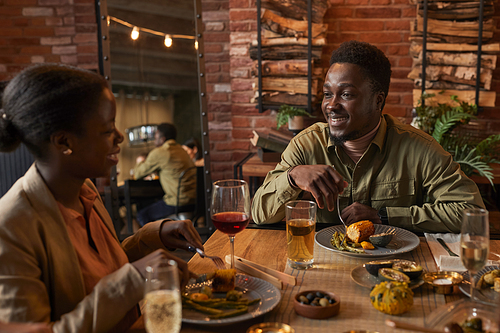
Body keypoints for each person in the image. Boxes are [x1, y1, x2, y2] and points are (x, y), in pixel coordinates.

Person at [0, 64, 204, 332]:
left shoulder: (85, 189)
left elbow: (103, 271)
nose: (119, 136)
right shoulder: (12, 226)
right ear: (63, 142)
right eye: (108, 129)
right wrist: (133, 280)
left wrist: (152, 236)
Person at [251, 40, 485, 233]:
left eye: (346, 94)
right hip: (322, 267)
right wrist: (292, 177)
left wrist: (384, 216)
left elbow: (471, 214)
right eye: (327, 94)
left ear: (378, 101)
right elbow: (260, 214)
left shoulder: (419, 148)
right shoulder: (306, 145)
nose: (331, 106)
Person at [134, 123, 196, 225]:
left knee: (142, 214)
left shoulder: (160, 152)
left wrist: (140, 160)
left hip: (177, 202)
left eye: (155, 136)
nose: (154, 139)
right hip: (194, 201)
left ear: (162, 138)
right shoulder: (182, 151)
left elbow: (138, 174)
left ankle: (154, 240)